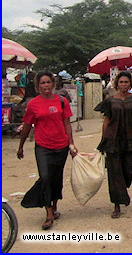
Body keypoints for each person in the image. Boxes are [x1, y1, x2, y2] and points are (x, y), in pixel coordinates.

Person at [17, 71, 78, 230]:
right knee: (45, 177)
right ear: (38, 86)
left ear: (53, 84)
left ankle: (55, 205)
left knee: (56, 178)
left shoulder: (62, 101)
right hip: (43, 146)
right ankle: (49, 213)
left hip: (61, 146)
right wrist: (21, 146)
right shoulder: (33, 104)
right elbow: (27, 125)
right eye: (42, 83)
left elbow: (67, 124)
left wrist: (71, 144)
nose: (46, 86)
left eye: (48, 82)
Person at [95, 71, 132, 219]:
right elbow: (106, 121)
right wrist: (103, 140)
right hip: (113, 139)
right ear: (116, 84)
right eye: (121, 82)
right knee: (114, 172)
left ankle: (122, 188)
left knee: (128, 168)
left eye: (126, 82)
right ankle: (116, 204)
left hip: (131, 139)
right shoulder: (110, 101)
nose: (123, 85)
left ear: (130, 84)